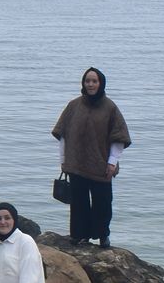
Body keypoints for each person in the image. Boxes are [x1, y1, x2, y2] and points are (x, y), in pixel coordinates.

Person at [53, 67, 131, 248]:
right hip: (76, 163)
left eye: (94, 81)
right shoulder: (74, 106)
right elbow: (63, 134)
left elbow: (118, 138)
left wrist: (112, 162)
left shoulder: (110, 108)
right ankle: (80, 236)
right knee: (79, 204)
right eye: (88, 81)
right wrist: (63, 160)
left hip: (101, 165)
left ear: (101, 83)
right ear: (83, 83)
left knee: (103, 204)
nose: (90, 84)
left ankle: (103, 236)